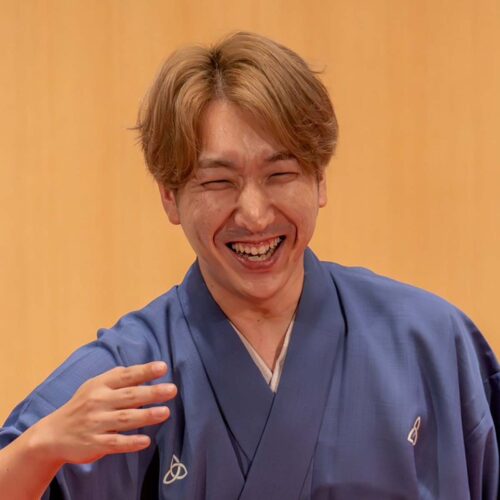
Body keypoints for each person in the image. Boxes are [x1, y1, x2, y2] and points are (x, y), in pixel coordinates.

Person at [0, 31, 498, 500]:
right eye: (218, 182)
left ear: (320, 179)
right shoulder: (133, 377)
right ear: (170, 197)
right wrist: (39, 449)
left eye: (280, 174)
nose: (255, 215)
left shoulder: (428, 341)